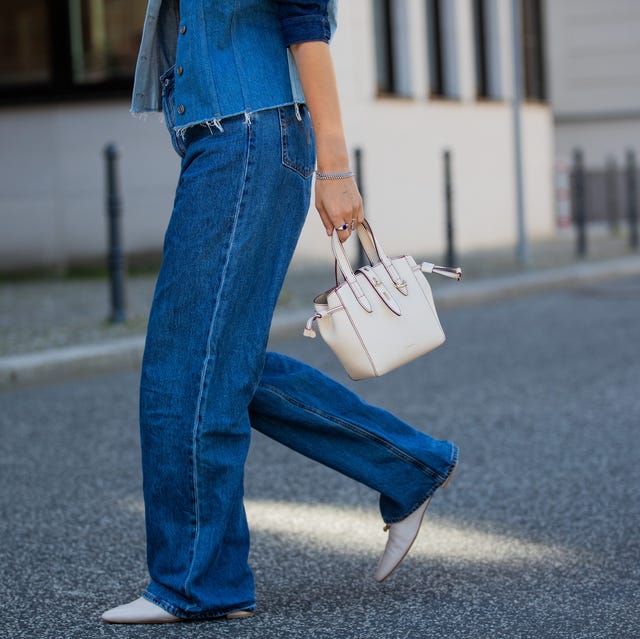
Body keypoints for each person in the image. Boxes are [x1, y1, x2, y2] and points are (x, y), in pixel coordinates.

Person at [101, 0, 458, 624]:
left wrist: (336, 164)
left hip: (247, 139)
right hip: (224, 142)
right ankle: (409, 465)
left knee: (188, 361)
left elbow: (305, 23)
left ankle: (197, 584)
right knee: (214, 357)